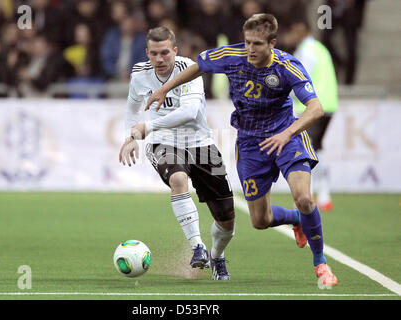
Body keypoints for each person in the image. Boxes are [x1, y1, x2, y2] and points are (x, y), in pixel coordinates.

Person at [144, 14, 338, 287]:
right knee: (260, 220)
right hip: (250, 143)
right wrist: (165, 88)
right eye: (247, 42)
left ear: (272, 43)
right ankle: (295, 219)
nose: (250, 49)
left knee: (304, 198)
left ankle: (320, 263)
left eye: (257, 44)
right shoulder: (232, 55)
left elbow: (315, 108)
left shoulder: (288, 66)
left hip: (287, 136)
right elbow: (199, 64)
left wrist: (287, 133)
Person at [118, 27, 235, 280]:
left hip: (200, 143)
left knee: (226, 221)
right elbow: (132, 108)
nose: (159, 59)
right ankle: (198, 247)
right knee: (178, 179)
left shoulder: (190, 69)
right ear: (147, 53)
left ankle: (217, 254)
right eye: (154, 54)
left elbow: (190, 112)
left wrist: (145, 127)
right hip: (163, 142)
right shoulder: (139, 74)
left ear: (175, 51)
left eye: (164, 53)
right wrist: (131, 136)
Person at [281, 14, 338, 211]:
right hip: (328, 104)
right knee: (317, 148)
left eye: (294, 31)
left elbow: (301, 79)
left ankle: (312, 194)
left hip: (313, 107)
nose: (291, 35)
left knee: (308, 150)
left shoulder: (306, 50)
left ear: (302, 29)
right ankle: (323, 195)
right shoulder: (320, 49)